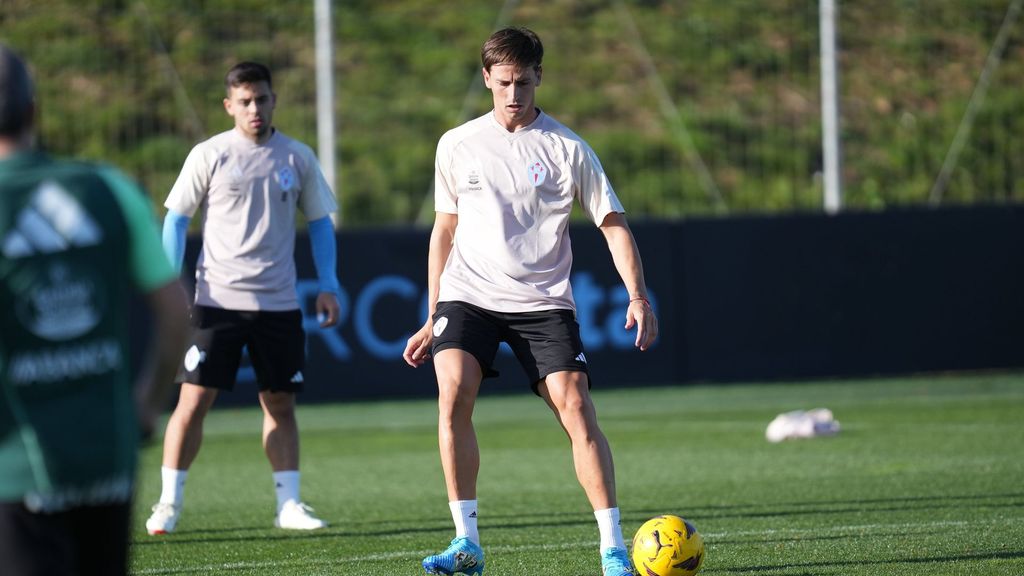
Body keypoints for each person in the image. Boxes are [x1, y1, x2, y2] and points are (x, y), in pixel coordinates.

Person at [403, 27, 658, 576]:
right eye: (503, 83)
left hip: (543, 300)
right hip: (468, 294)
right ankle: (466, 542)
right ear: (486, 79)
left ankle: (613, 548)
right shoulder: (457, 143)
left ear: (539, 76)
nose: (513, 94)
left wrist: (637, 295)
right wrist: (433, 312)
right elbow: (444, 230)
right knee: (453, 393)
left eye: (522, 82)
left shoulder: (568, 148)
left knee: (576, 408)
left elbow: (613, 224)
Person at [0, 44, 189, 575]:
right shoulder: (108, 187)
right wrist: (146, 405)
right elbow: (176, 314)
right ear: (34, 110)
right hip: (108, 457)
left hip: (17, 467)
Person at [144, 61, 340, 534]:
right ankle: (168, 503)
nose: (255, 109)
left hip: (278, 304)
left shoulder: (297, 157)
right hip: (217, 302)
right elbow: (176, 219)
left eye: (262, 99)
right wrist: (172, 281)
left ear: (274, 100)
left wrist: (329, 284)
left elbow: (319, 222)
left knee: (280, 404)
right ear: (229, 105)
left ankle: (288, 504)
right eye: (245, 101)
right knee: (193, 401)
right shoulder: (210, 154)